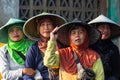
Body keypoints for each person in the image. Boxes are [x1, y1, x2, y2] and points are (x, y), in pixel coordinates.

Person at [23, 12, 67, 80]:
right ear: (38, 29)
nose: (46, 27)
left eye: (49, 24)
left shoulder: (62, 46)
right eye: (42, 25)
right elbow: (27, 73)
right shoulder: (34, 48)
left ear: (54, 27)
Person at [88, 14, 120, 80]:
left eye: (108, 28)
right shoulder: (89, 46)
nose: (105, 30)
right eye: (102, 27)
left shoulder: (113, 49)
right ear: (96, 29)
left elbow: (116, 72)